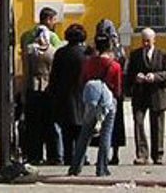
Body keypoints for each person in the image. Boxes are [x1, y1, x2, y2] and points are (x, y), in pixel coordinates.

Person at [71, 34, 122, 177]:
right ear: (110, 47)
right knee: (106, 134)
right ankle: (102, 168)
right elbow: (117, 88)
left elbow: (82, 81)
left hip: (91, 101)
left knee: (85, 134)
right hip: (107, 101)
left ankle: (75, 167)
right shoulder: (114, 65)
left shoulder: (88, 63)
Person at [125, 27, 166, 164]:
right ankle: (142, 154)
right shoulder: (135, 54)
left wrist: (155, 76)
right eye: (143, 41)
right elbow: (129, 73)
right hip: (140, 94)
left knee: (157, 125)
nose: (145, 44)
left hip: (157, 93)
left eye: (148, 41)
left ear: (154, 40)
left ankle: (158, 154)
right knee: (138, 123)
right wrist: (136, 77)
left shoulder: (163, 54)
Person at [48, 23, 89, 163]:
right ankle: (81, 158)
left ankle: (68, 157)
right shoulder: (86, 53)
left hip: (64, 97)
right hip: (82, 96)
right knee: (81, 131)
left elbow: (53, 76)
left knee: (66, 131)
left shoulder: (60, 53)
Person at [23, 25, 60, 164]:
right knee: (50, 124)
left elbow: (27, 72)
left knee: (34, 125)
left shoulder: (31, 51)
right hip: (49, 88)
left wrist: (23, 91)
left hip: (34, 87)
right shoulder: (53, 51)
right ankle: (53, 155)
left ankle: (35, 155)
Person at [95, 20, 127, 164]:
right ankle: (112, 153)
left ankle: (107, 154)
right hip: (114, 90)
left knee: (101, 123)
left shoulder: (98, 48)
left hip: (102, 90)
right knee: (113, 123)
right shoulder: (119, 49)